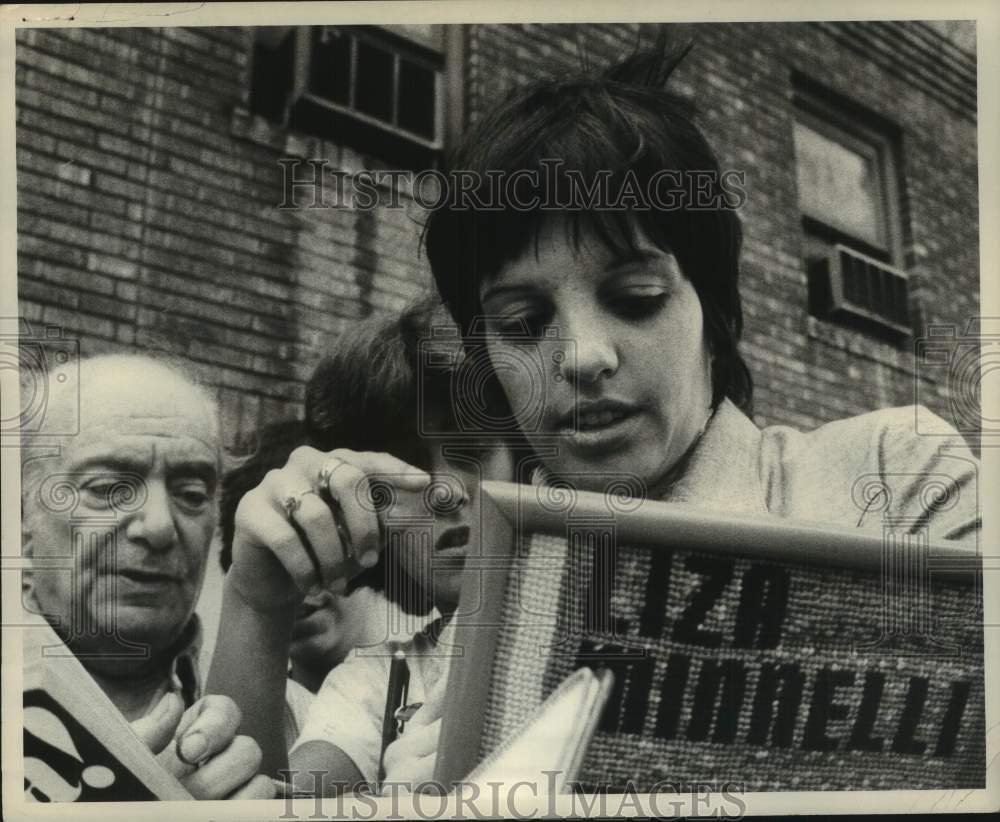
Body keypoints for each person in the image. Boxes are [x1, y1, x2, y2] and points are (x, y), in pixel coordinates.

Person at [421, 43, 979, 539]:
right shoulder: (464, 582)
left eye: (636, 299)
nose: (583, 356)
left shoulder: (892, 476)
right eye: (522, 323)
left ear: (712, 318)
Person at [207, 298, 509, 791]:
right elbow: (268, 803)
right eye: (403, 466)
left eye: (471, 452)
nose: (445, 490)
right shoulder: (377, 682)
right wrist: (254, 601)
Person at [21, 353, 274, 799]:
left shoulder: (286, 717)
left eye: (192, 494)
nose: (158, 525)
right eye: (107, 490)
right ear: (24, 518)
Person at [216, 418, 421, 747]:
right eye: (276, 559)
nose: (300, 581)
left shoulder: (425, 680)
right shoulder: (243, 704)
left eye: (319, 549)